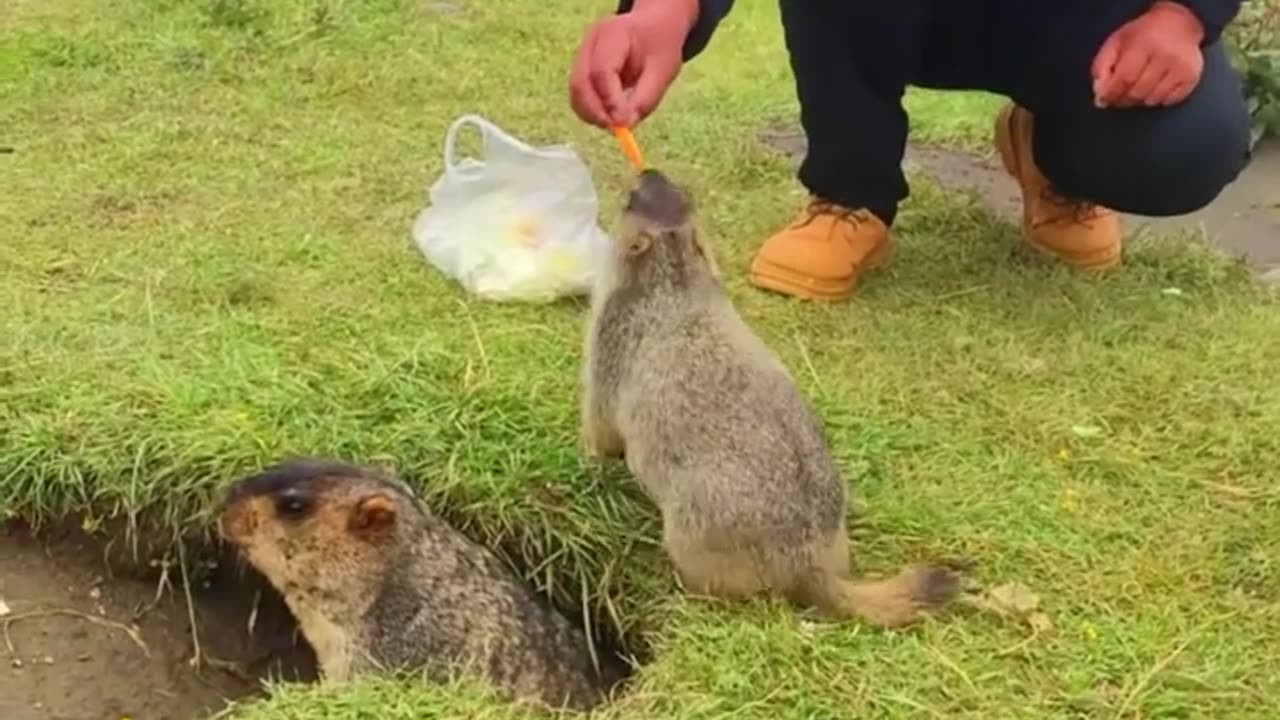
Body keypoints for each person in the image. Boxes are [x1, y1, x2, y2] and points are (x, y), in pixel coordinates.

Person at [569, 1, 1254, 302]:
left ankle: (1056, 157)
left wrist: (1182, 15)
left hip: (1074, 16)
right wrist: (664, 9)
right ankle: (850, 191)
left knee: (1185, 149)